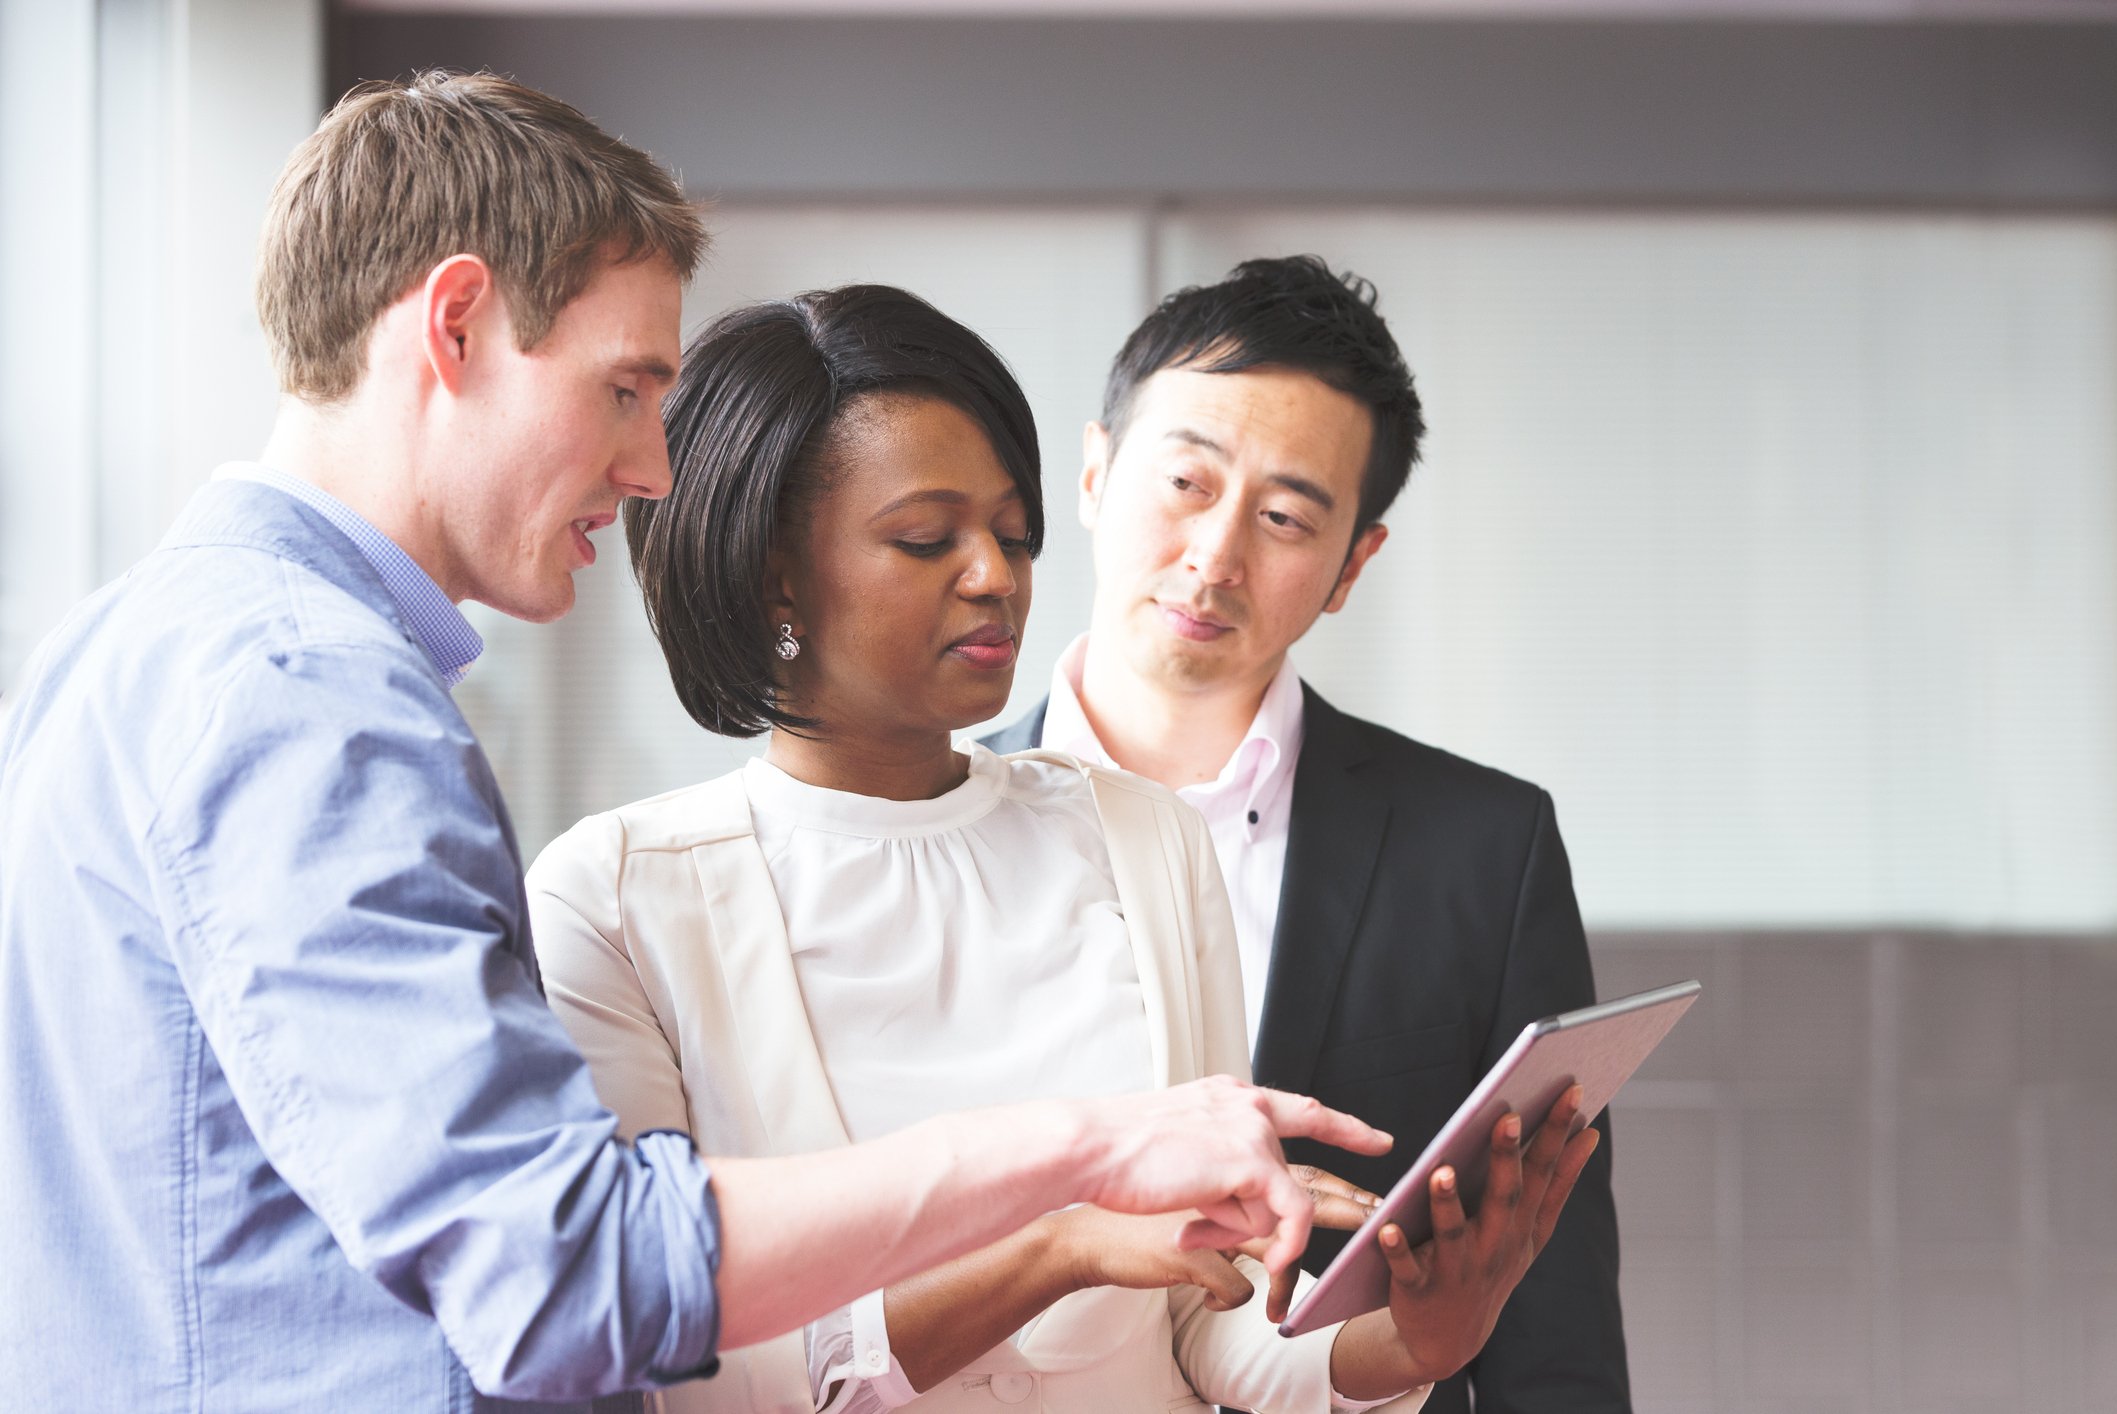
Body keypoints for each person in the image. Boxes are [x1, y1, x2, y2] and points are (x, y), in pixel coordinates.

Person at [0, 79, 1396, 1413]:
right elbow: (562, 1266)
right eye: (624, 390)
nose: (655, 467)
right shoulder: (309, 692)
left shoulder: (136, 647)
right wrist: (1086, 1153)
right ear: (458, 325)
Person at [527, 283, 1600, 1414]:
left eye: (1011, 530)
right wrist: (1060, 1246)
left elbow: (1211, 1322)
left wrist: (1404, 1345)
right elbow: (689, 1372)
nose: (996, 575)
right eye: (926, 539)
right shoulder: (617, 900)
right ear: (772, 573)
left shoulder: (1142, 839)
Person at [983, 255, 1632, 1414]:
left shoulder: (1484, 851)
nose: (1217, 555)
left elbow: (1557, 1336)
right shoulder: (937, 821)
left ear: (1351, 566)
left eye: (1285, 517)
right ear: (1091, 472)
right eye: (1187, 479)